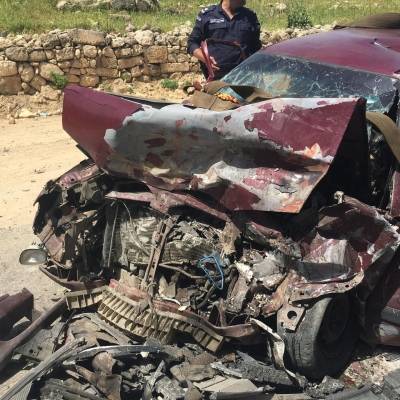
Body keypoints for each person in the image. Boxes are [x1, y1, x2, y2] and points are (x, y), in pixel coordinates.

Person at [187, 0, 262, 80]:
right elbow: (192, 43)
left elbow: (256, 48)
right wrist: (206, 59)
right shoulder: (207, 15)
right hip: (217, 79)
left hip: (244, 79)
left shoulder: (250, 16)